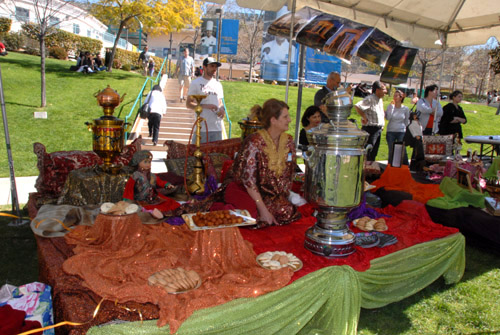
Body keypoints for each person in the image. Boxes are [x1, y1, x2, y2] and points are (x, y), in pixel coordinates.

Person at [228, 98, 301, 227]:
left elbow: (289, 170)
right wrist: (263, 209)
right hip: (250, 192)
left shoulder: (288, 140)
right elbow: (248, 180)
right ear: (273, 120)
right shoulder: (254, 142)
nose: (289, 120)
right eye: (285, 117)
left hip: (276, 196)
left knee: (285, 210)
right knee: (258, 214)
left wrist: (283, 195)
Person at [123, 150, 178, 216]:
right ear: (138, 162)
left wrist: (166, 184)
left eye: (149, 162)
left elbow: (159, 181)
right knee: (146, 210)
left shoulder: (152, 175)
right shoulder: (135, 176)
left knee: (170, 203)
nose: (148, 164)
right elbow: (129, 189)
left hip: (153, 198)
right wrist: (127, 201)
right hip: (140, 201)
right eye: (145, 162)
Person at [186, 57, 225, 144]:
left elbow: (220, 102)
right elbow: (188, 104)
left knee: (216, 156)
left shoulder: (218, 85)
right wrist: (203, 106)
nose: (214, 69)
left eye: (216, 67)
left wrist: (222, 110)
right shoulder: (195, 83)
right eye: (212, 66)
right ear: (204, 67)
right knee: (197, 155)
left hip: (216, 128)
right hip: (202, 128)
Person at [355, 81, 387, 161]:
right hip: (370, 129)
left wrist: (382, 125)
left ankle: (370, 169)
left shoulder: (380, 100)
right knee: (369, 151)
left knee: (374, 153)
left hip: (378, 130)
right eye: (383, 89)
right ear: (377, 90)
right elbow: (357, 106)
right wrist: (364, 117)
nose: (385, 91)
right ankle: (365, 169)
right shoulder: (370, 99)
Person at [385, 90, 410, 166]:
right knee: (391, 149)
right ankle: (390, 165)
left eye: (397, 96)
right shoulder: (390, 106)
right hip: (391, 131)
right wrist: (392, 108)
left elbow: (406, 120)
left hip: (401, 131)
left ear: (401, 97)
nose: (395, 97)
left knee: (402, 149)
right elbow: (388, 118)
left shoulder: (405, 108)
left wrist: (405, 129)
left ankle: (405, 165)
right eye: (394, 95)